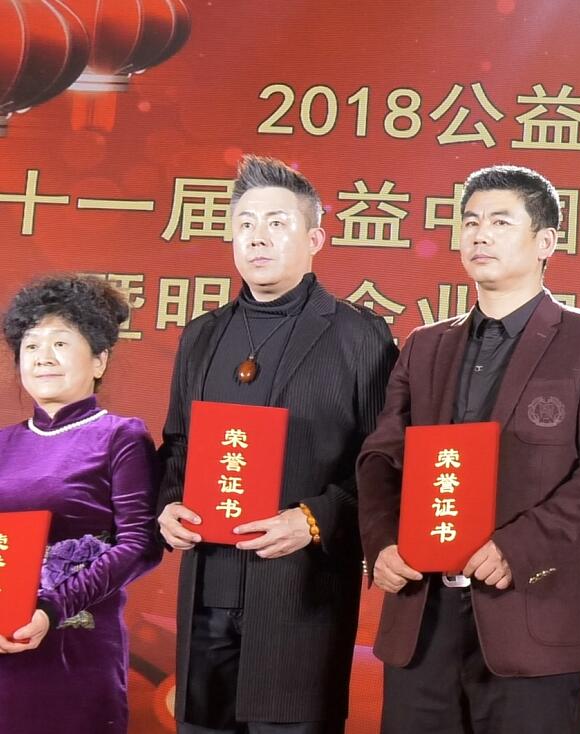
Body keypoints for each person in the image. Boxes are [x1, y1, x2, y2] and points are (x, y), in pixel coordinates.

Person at [357, 164, 580, 734]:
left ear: (546, 242)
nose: (480, 235)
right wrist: (382, 542)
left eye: (500, 222)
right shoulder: (425, 346)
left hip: (534, 613)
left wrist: (520, 546)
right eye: (470, 222)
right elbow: (382, 458)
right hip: (422, 619)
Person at [155, 155, 397, 733]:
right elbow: (178, 444)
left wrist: (313, 520)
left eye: (276, 223)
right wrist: (166, 504)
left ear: (314, 239)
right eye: (244, 224)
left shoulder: (359, 336)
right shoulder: (203, 335)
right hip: (208, 588)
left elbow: (385, 464)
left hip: (300, 594)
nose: (257, 237)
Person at [0, 274, 160, 734]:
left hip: (76, 648)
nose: (43, 357)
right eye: (31, 346)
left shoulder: (120, 436)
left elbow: (139, 544)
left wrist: (51, 608)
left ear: (99, 359)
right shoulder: (5, 443)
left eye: (60, 343)